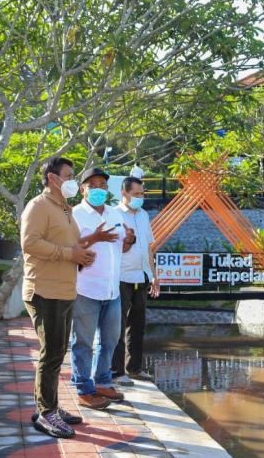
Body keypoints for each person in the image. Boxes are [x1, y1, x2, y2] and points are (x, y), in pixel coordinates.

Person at [21, 156, 96, 438]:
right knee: (51, 354)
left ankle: (51, 405)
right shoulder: (38, 206)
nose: (73, 181)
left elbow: (68, 245)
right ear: (53, 178)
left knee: (57, 353)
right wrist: (70, 254)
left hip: (65, 290)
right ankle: (46, 413)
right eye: (69, 175)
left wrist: (82, 255)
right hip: (44, 291)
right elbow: (29, 243)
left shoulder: (64, 209)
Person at [70, 167, 136, 409]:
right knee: (83, 342)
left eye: (103, 185)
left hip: (112, 290)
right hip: (85, 289)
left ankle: (103, 381)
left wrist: (129, 240)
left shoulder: (115, 214)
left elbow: (121, 248)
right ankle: (84, 388)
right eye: (93, 185)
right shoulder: (75, 214)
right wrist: (94, 238)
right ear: (82, 189)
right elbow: (68, 245)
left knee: (110, 340)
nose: (99, 189)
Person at [112, 176, 160, 386]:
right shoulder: (114, 214)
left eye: (142, 193)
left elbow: (148, 247)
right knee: (117, 325)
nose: (141, 197)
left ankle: (135, 368)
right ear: (124, 193)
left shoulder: (143, 215)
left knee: (138, 324)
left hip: (141, 277)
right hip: (121, 277)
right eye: (137, 194)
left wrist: (154, 275)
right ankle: (117, 371)